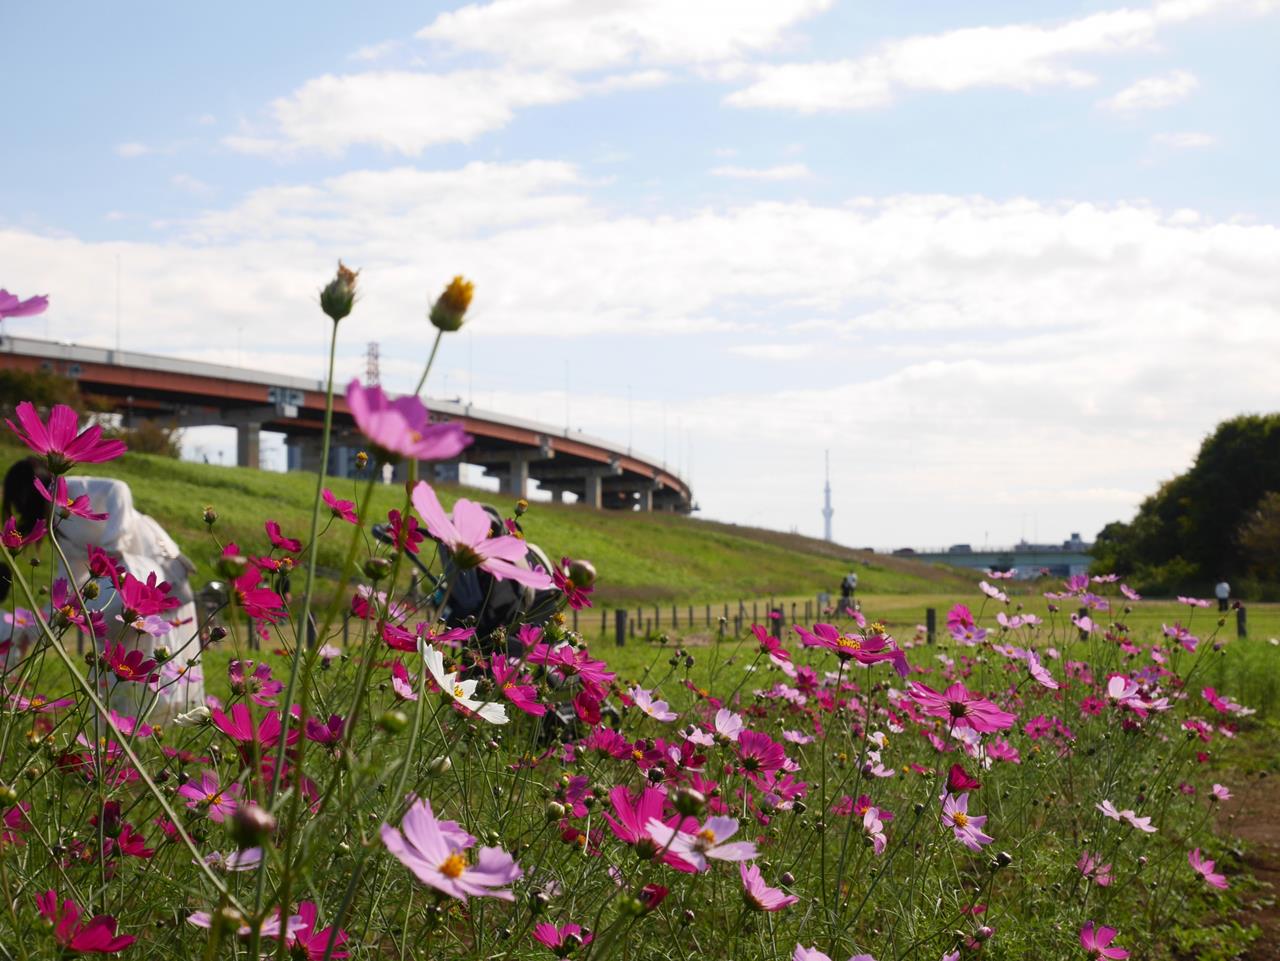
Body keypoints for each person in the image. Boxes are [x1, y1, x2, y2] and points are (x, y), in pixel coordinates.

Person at [1, 458, 204, 723]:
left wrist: (112, 548)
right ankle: (129, 721)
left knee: (160, 633)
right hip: (122, 576)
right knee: (125, 648)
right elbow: (71, 584)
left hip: (148, 557)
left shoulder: (70, 491)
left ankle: (165, 715)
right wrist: (35, 630)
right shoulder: (57, 530)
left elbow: (119, 488)